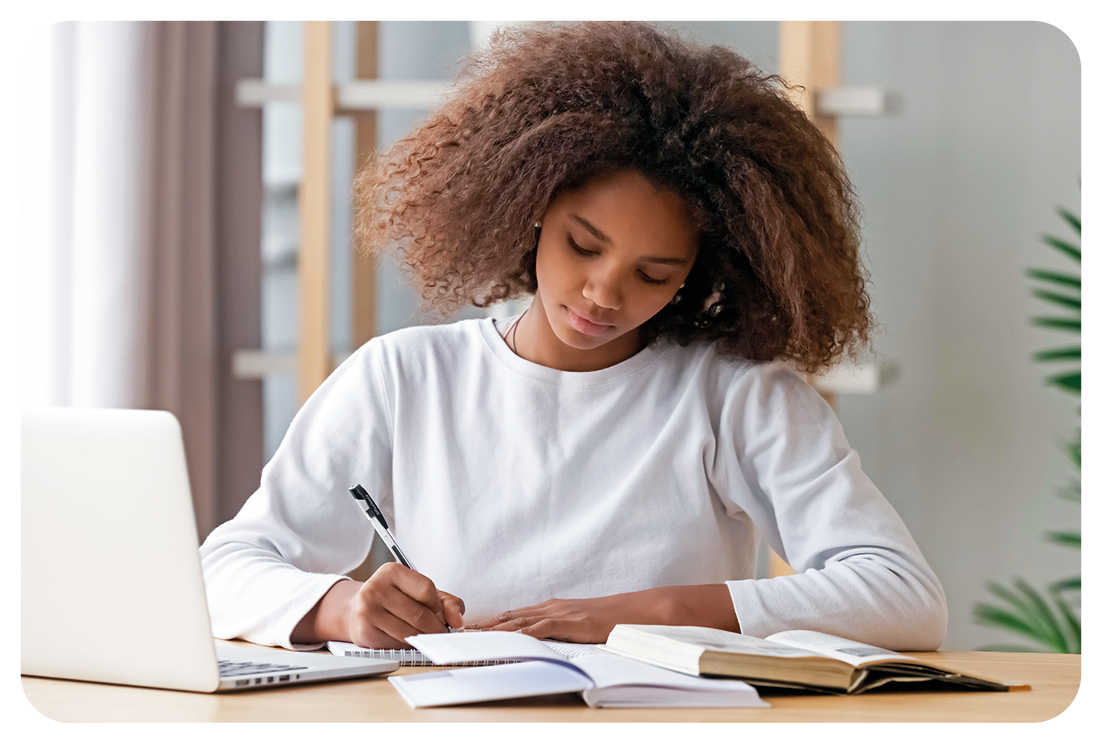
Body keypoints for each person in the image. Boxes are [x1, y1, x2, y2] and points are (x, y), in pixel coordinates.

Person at [199, 22, 947, 653]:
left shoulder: (734, 394)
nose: (604, 294)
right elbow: (222, 569)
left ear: (702, 272)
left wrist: (652, 613)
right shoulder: (404, 377)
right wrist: (344, 608)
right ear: (528, 208)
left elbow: (904, 595)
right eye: (582, 246)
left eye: (655, 273)